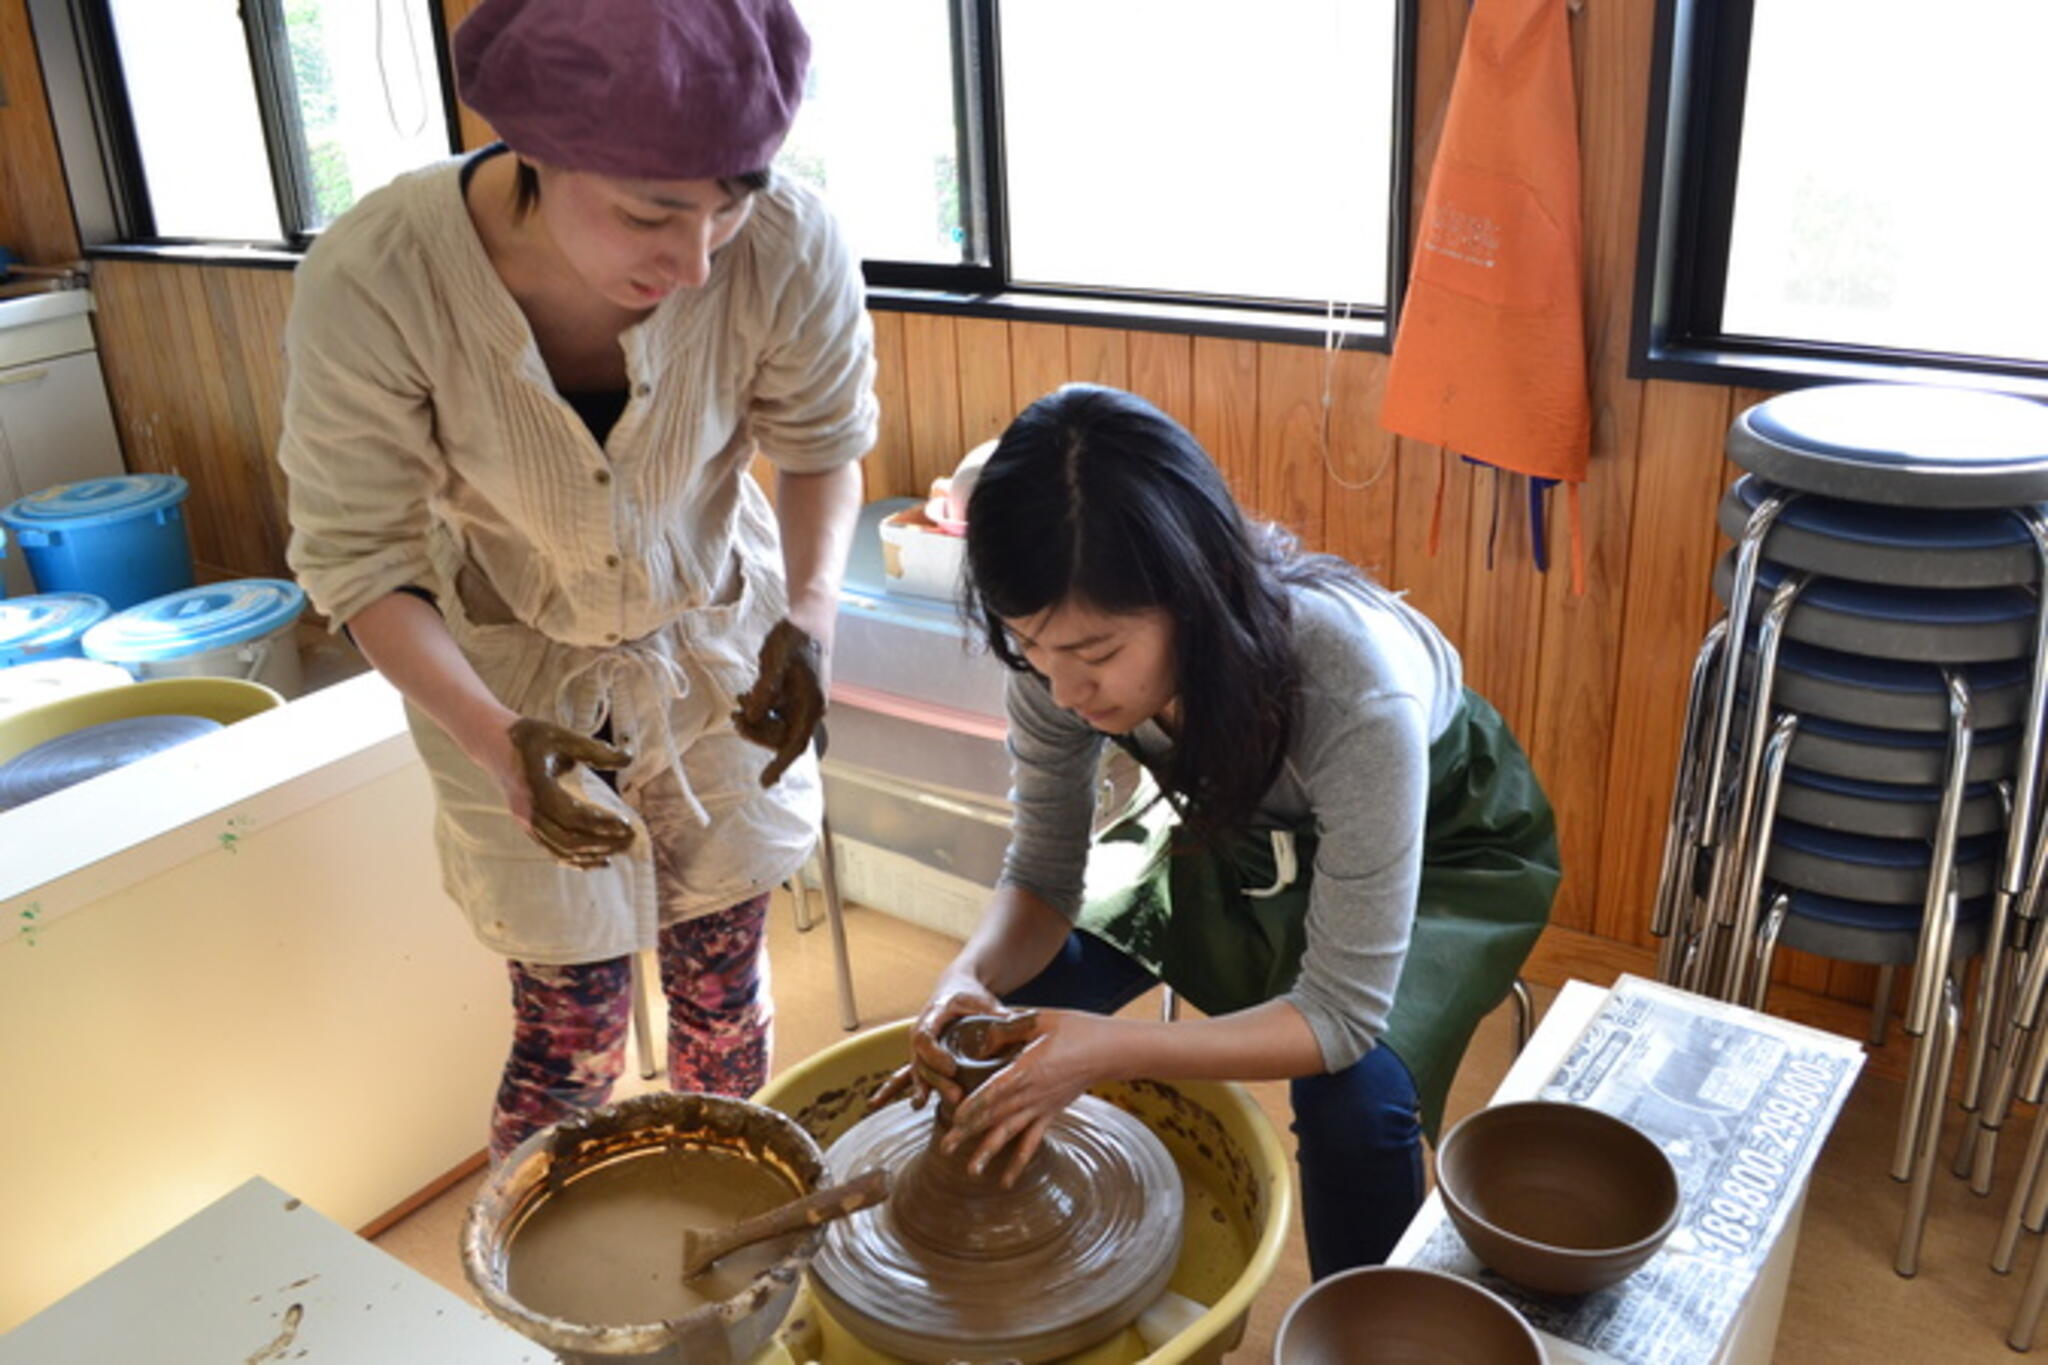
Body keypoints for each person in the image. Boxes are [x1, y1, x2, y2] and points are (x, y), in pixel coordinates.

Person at [277, 0, 875, 1162]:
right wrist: (495, 739)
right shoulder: (378, 275)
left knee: (723, 988)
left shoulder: (789, 242)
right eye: (652, 212)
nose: (695, 257)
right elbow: (363, 562)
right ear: (532, 153)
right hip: (504, 662)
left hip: (717, 637)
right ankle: (551, 1314)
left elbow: (818, 445)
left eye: (730, 201)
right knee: (573, 1026)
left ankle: (724, 1236)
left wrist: (808, 618)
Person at [893, 384, 1559, 1277]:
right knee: (1014, 1010)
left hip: (1446, 840)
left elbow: (1340, 1015)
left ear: (1195, 595)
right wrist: (964, 976)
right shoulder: (1057, 658)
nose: (1063, 691)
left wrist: (1106, 1051)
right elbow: (1044, 878)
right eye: (1027, 648)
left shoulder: (1351, 686)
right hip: (1233, 816)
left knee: (1353, 1100)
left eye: (1094, 656)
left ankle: (1367, 1329)